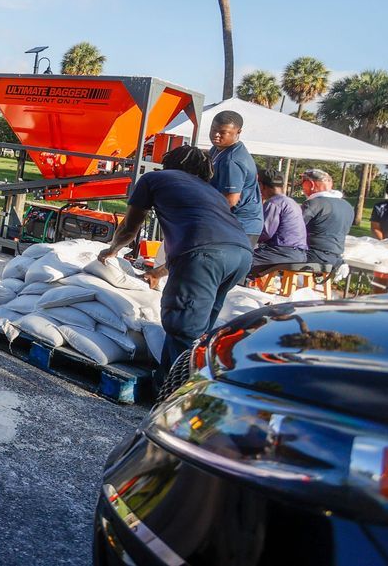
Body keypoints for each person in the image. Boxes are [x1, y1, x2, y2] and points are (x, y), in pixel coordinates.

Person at [98, 145, 252, 381]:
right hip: (240, 255)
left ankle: (171, 390)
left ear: (169, 162)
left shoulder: (153, 179)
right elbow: (198, 242)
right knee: (201, 330)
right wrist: (159, 272)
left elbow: (130, 227)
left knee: (184, 326)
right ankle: (191, 381)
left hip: (205, 255)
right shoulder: (210, 191)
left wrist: (112, 250)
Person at [208, 110, 263, 245]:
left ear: (238, 132)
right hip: (231, 223)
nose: (216, 135)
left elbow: (230, 200)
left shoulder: (232, 160)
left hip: (242, 226)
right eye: (213, 129)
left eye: (223, 132)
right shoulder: (216, 150)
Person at [249, 169, 308, 277]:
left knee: (241, 260)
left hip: (282, 253)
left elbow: (265, 233)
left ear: (261, 186)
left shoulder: (274, 203)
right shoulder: (291, 202)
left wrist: (245, 238)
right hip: (300, 253)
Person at [300, 169, 354, 266]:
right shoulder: (347, 206)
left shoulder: (313, 204)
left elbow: (293, 227)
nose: (302, 187)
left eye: (303, 182)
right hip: (335, 258)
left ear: (311, 184)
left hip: (311, 256)